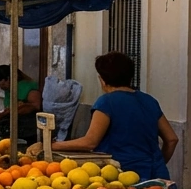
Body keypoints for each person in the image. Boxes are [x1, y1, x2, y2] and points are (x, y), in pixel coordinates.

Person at [29, 52, 178, 179]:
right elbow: (172, 139)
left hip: (123, 177)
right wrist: (158, 163)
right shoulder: (149, 100)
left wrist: (52, 145)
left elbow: (90, 142)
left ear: (102, 80)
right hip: (159, 176)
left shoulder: (106, 102)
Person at [0, 65, 43, 145]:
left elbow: (35, 105)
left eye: (3, 84)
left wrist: (6, 113)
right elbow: (8, 107)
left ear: (9, 78)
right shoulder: (8, 90)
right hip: (16, 128)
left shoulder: (28, 87)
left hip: (29, 129)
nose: (1, 88)